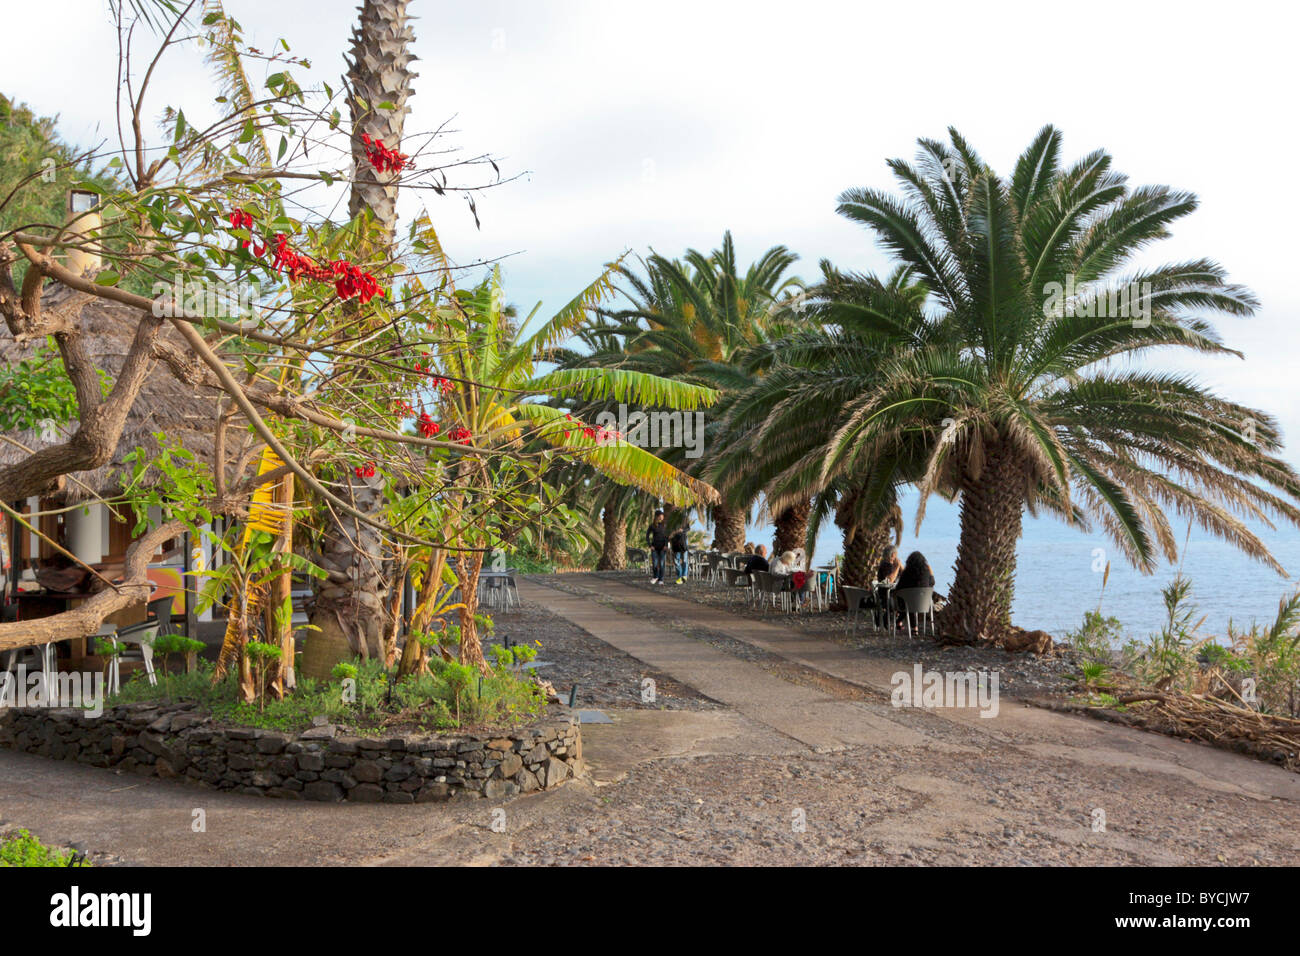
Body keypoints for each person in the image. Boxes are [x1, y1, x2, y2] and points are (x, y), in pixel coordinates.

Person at [646, 511, 670, 584]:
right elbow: (647, 536)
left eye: (662, 516)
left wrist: (666, 545)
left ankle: (661, 579)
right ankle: (655, 576)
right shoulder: (652, 525)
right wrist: (650, 545)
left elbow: (667, 537)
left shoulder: (665, 525)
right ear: (657, 516)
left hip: (663, 548)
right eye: (660, 516)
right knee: (655, 563)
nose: (662, 517)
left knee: (662, 563)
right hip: (655, 548)